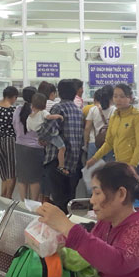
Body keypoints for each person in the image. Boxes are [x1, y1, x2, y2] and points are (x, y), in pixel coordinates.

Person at [39, 80, 85, 212]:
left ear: (59, 92)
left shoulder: (58, 108)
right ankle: (70, 228)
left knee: (59, 200)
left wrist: (42, 138)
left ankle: (60, 230)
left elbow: (48, 130)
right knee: (70, 200)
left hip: (57, 161)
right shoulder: (78, 111)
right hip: (74, 161)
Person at [88, 84, 139, 178]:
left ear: (130, 98)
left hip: (137, 164)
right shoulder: (114, 117)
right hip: (120, 163)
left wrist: (132, 165)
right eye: (115, 96)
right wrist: (95, 158)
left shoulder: (137, 117)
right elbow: (109, 142)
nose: (118, 99)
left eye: (122, 96)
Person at [13, 86, 45, 201]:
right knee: (35, 178)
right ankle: (33, 205)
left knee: (22, 178)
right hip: (35, 148)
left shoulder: (17, 110)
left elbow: (15, 126)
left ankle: (23, 204)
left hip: (20, 146)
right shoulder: (39, 112)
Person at [0, 86, 19, 198]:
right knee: (11, 171)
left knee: (3, 172)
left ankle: (2, 196)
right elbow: (17, 126)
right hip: (9, 140)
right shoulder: (13, 110)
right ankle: (8, 197)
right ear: (13, 97)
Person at [28, 93, 67, 174]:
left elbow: (29, 128)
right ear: (44, 104)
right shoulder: (43, 112)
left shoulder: (30, 115)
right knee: (62, 147)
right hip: (51, 135)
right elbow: (49, 117)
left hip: (39, 134)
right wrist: (59, 116)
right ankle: (61, 166)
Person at [85, 87, 115, 159]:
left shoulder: (93, 109)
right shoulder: (115, 110)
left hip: (94, 142)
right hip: (109, 144)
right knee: (109, 169)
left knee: (93, 169)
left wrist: (85, 143)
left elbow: (87, 128)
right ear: (112, 97)